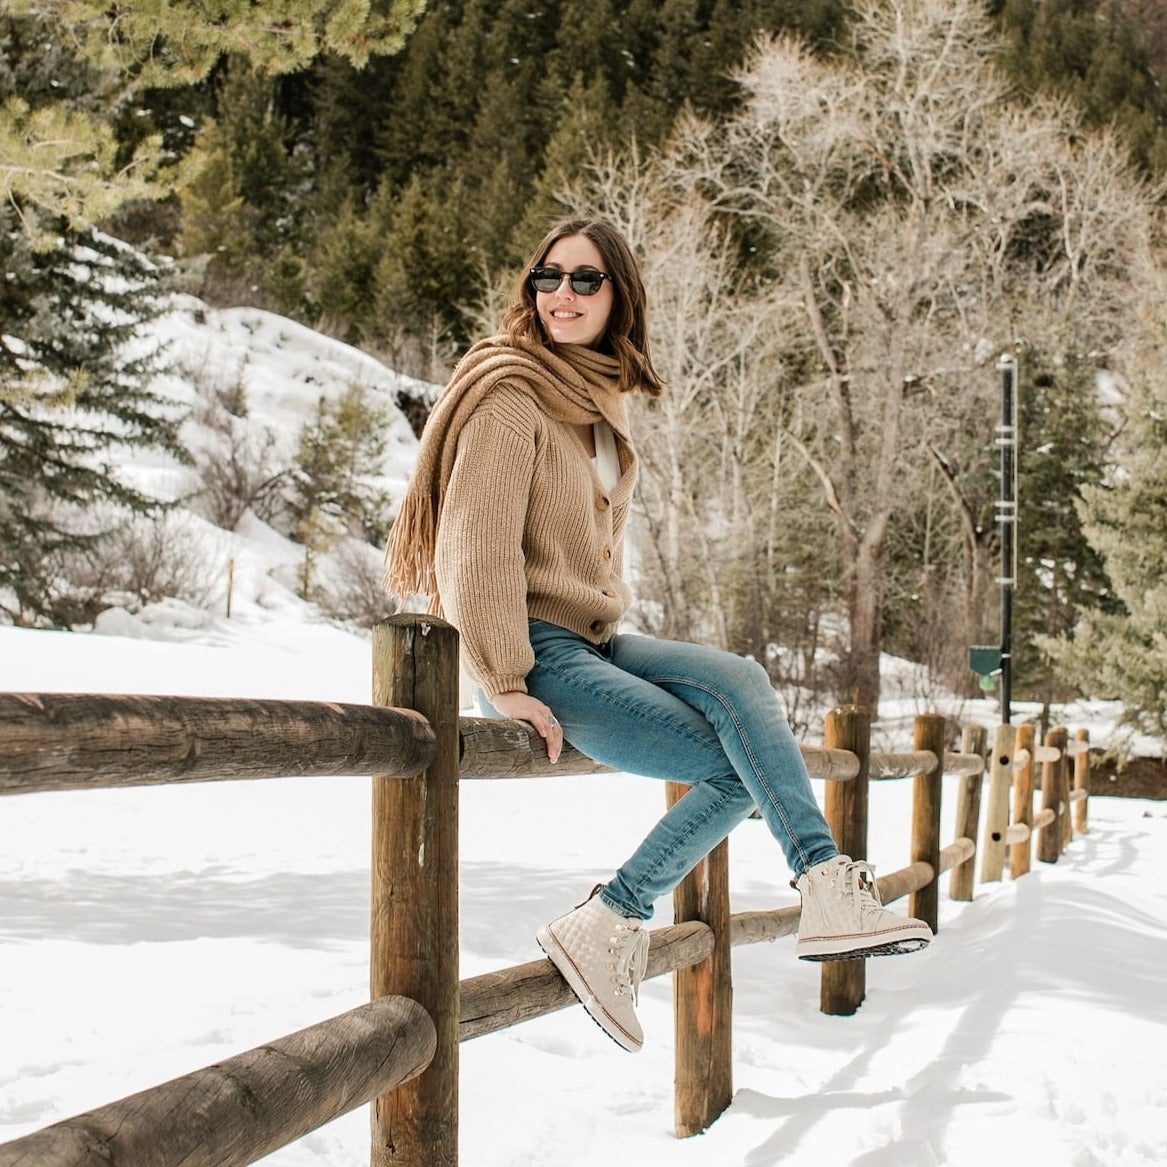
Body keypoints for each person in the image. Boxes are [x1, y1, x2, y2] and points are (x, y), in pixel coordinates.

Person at [385, 217, 931, 1054]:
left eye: (584, 280)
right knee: (730, 765)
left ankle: (825, 884)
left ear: (618, 297)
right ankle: (610, 917)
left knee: (742, 680)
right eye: (548, 277)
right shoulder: (508, 394)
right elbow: (473, 545)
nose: (561, 295)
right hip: (534, 650)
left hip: (592, 638)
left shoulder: (594, 407)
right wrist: (502, 677)